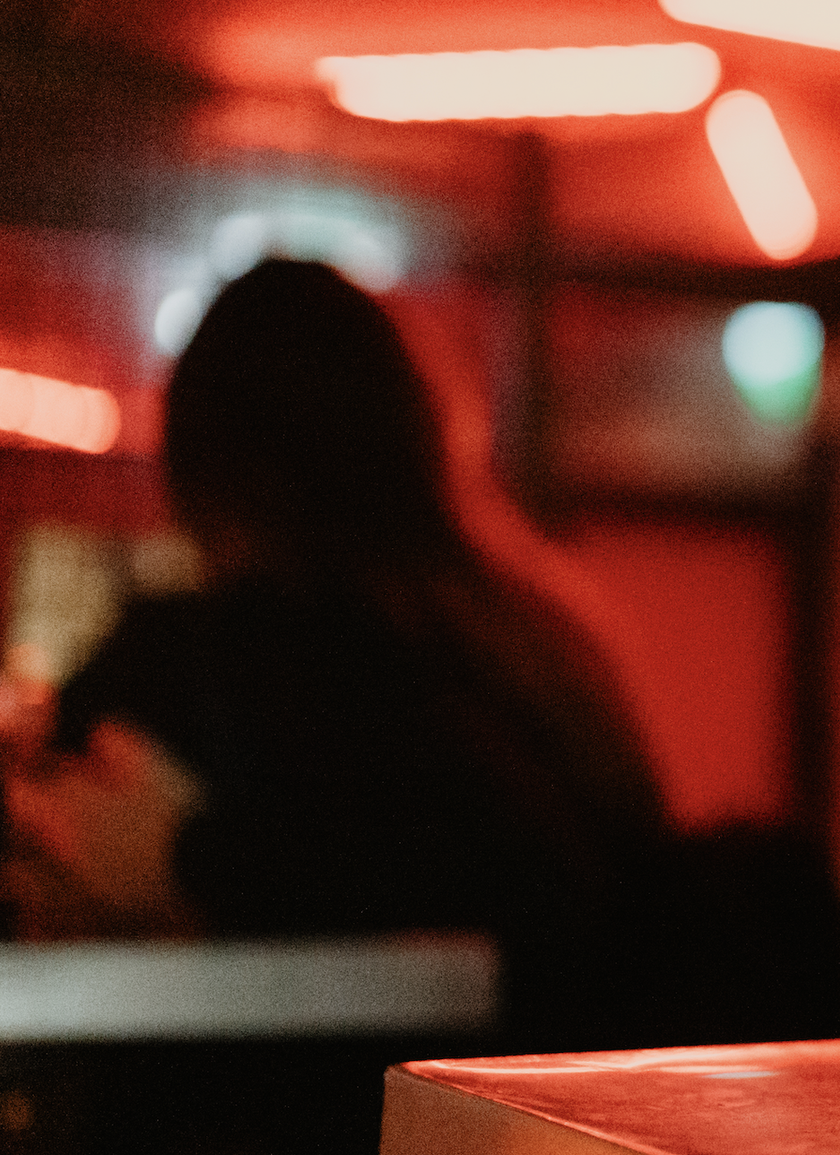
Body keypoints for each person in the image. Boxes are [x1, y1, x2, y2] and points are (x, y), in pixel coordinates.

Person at [3, 259, 680, 1052]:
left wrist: (186, 855)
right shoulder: (540, 650)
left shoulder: (206, 661)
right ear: (417, 433)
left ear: (204, 465)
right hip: (565, 1142)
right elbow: (572, 904)